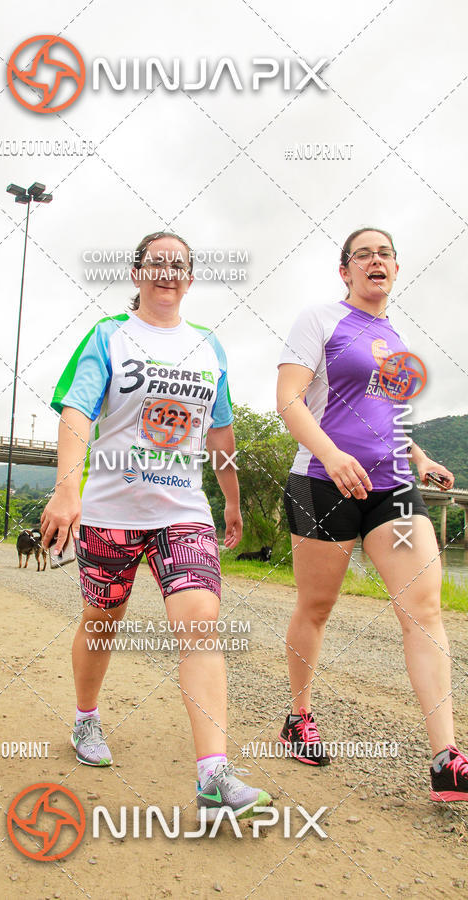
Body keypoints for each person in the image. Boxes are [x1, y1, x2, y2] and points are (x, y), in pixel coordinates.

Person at [42, 230, 271, 820]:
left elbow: (220, 431)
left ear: (190, 278)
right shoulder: (108, 336)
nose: (167, 271)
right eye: (156, 262)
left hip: (183, 513)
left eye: (178, 265)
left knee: (200, 626)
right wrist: (67, 490)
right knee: (102, 620)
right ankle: (86, 719)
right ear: (137, 273)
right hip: (110, 513)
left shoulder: (208, 347)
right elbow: (77, 412)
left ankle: (213, 777)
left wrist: (232, 502)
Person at [276, 227, 468, 802]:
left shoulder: (396, 337)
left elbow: (386, 415)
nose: (375, 260)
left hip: (392, 488)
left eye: (385, 253)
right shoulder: (320, 319)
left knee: (423, 609)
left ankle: (446, 757)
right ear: (346, 271)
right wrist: (332, 456)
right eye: (363, 254)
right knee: (316, 607)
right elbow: (289, 400)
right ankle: (298, 717)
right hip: (321, 481)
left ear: (396, 268)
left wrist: (421, 458)